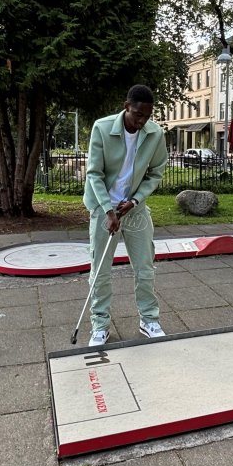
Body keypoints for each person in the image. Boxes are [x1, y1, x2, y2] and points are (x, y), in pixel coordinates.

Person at [82, 84, 169, 347]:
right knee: (100, 269)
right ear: (126, 107)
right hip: (102, 207)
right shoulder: (102, 128)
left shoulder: (155, 134)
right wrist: (108, 210)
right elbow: (94, 173)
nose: (142, 121)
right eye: (137, 115)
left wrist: (135, 200)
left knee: (144, 266)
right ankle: (100, 324)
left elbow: (155, 173)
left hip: (135, 208)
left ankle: (149, 318)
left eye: (147, 116)